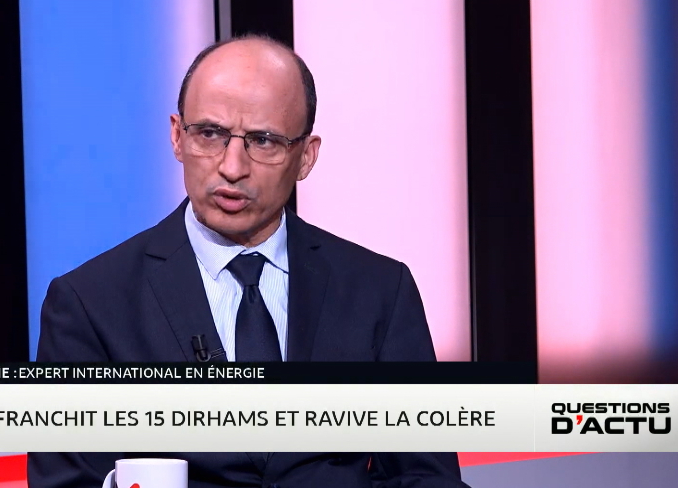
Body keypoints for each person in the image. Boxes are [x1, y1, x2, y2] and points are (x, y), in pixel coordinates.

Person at [28, 35, 467, 488]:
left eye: (264, 140)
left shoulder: (378, 292)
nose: (232, 167)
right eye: (210, 134)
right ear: (177, 136)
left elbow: (427, 477)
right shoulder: (91, 303)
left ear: (306, 157)